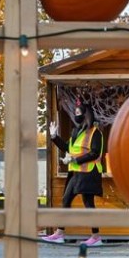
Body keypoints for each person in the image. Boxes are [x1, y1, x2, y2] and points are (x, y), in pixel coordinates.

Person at [43, 100, 105, 246]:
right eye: (75, 113)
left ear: (86, 114)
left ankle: (96, 237)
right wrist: (54, 137)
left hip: (89, 172)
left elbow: (95, 153)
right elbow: (68, 148)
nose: (75, 115)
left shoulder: (96, 133)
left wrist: (75, 160)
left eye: (78, 113)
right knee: (66, 200)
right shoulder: (76, 131)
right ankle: (59, 233)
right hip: (76, 173)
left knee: (88, 203)